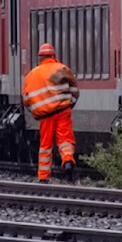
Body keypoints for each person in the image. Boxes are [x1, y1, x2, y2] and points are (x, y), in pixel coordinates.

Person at [22, 43, 80, 183]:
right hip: (62, 111)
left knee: (46, 145)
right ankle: (67, 161)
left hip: (45, 116)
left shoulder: (32, 75)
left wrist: (36, 111)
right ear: (53, 56)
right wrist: (70, 103)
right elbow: (75, 90)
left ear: (39, 58)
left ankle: (43, 177)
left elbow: (26, 99)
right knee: (65, 140)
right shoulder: (61, 70)